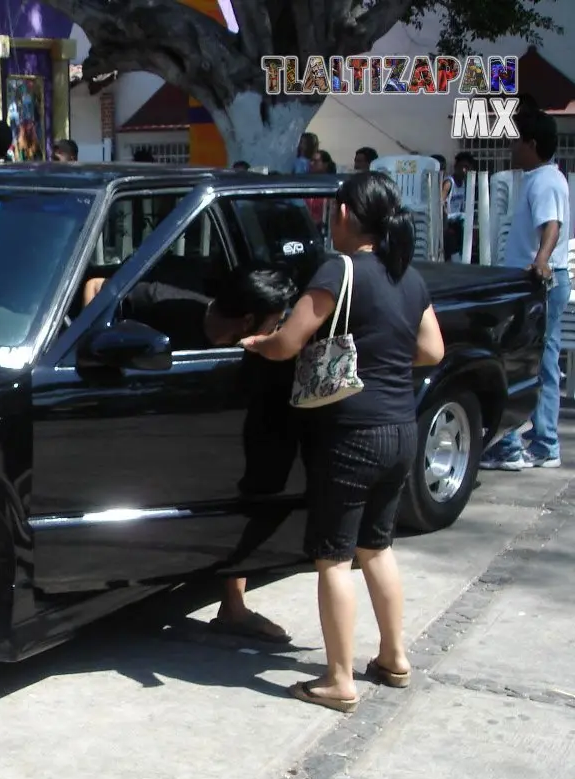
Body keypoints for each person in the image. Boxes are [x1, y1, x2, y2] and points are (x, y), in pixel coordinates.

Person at [239, 172, 446, 711]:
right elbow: (433, 351)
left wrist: (261, 344)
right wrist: (385, 358)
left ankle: (338, 679)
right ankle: (395, 658)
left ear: (349, 215)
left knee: (333, 558)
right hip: (402, 428)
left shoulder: (340, 269)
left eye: (333, 212)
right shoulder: (409, 276)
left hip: (350, 433)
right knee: (377, 548)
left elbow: (289, 343)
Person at [82, 265, 303, 640]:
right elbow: (96, 285)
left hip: (219, 432)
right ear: (248, 319)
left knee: (246, 496)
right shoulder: (169, 303)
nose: (278, 329)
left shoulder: (258, 349)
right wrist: (95, 344)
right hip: (149, 422)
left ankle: (233, 607)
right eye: (276, 321)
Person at [480, 110, 571, 471]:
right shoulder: (541, 178)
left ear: (531, 144)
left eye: (516, 140)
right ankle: (539, 442)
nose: (510, 147)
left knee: (520, 361)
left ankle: (516, 445)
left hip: (539, 283)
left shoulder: (545, 181)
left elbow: (553, 225)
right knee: (540, 361)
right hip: (539, 282)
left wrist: (542, 260)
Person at [442, 151, 474, 262]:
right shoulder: (449, 183)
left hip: (458, 221)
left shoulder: (465, 184)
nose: (464, 171)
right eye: (462, 167)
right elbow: (440, 203)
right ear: (456, 167)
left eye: (467, 168)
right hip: (448, 219)